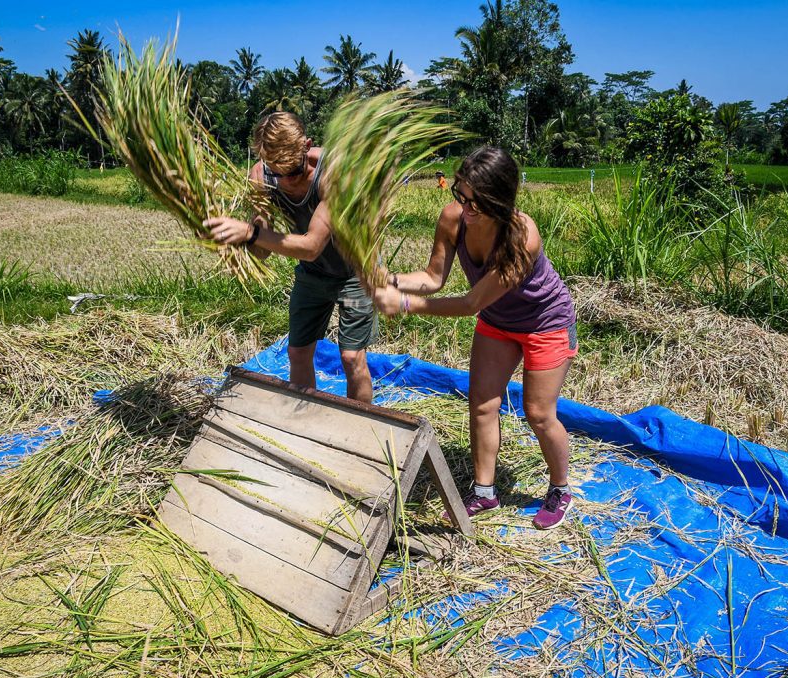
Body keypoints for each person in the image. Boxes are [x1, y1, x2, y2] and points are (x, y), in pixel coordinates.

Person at [372, 147, 577, 530]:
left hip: (545, 323)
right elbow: (433, 278)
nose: (465, 206)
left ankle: (560, 488)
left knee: (538, 413)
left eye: (475, 202)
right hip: (498, 322)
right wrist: (393, 280)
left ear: (499, 200)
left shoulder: (521, 238)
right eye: (460, 194)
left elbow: (470, 302)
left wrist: (403, 304)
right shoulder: (454, 218)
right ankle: (484, 493)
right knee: (482, 404)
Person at [205, 112, 376, 402]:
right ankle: (305, 425)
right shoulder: (261, 175)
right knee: (297, 351)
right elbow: (262, 249)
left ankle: (360, 431)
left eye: (293, 172)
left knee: (350, 357)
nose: (286, 180)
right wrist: (231, 244)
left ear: (307, 145)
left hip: (355, 272)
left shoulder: (334, 171)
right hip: (313, 273)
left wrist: (249, 232)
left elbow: (311, 245)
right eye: (277, 171)